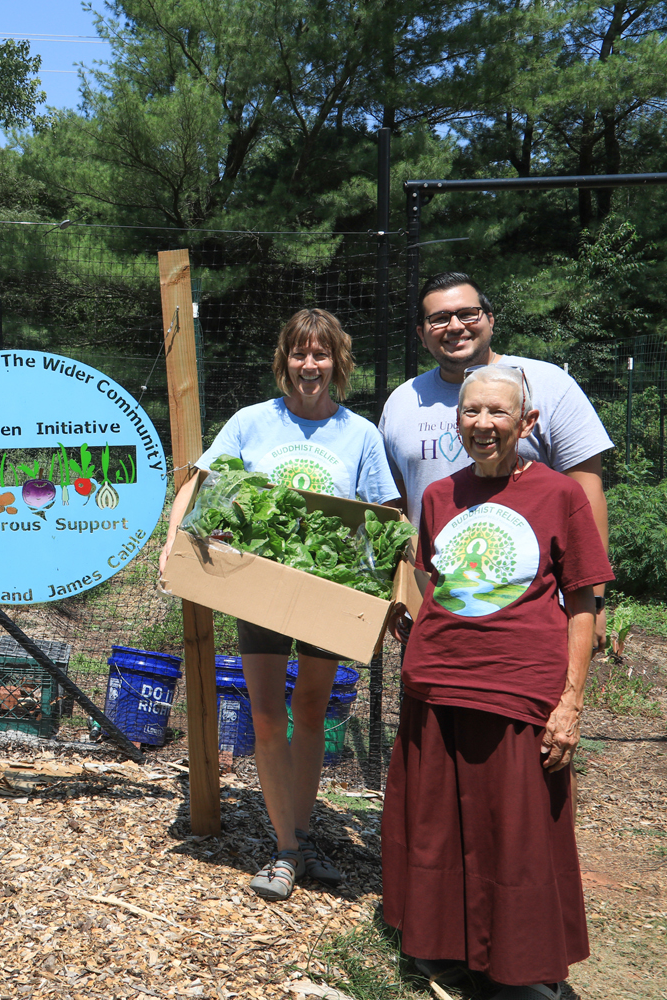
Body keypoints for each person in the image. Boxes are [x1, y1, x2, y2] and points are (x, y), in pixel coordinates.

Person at [382, 365, 612, 999]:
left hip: (518, 689)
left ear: (526, 423)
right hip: (435, 684)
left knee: (517, 834)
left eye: (498, 413)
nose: (483, 424)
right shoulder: (439, 497)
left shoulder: (559, 494)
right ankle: (446, 951)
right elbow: (437, 586)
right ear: (456, 422)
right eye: (471, 412)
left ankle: (524, 969)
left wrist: (570, 704)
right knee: (438, 828)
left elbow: (584, 601)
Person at [160, 308, 399, 901]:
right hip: (259, 585)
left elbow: (387, 519)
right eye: (299, 354)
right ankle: (288, 847)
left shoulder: (359, 434)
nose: (309, 365)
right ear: (284, 361)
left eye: (321, 355)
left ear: (337, 362)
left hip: (327, 588)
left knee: (313, 711)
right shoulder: (250, 423)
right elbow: (200, 485)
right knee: (267, 714)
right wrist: (180, 541)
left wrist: (394, 592)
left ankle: (299, 832)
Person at [379, 272, 612, 649]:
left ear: (490, 319)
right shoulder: (402, 402)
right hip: (435, 613)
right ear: (421, 334)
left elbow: (588, 495)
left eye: (467, 313)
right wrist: (401, 594)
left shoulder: (548, 385)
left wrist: (594, 600)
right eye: (438, 318)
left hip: (533, 613)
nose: (454, 326)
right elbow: (397, 511)